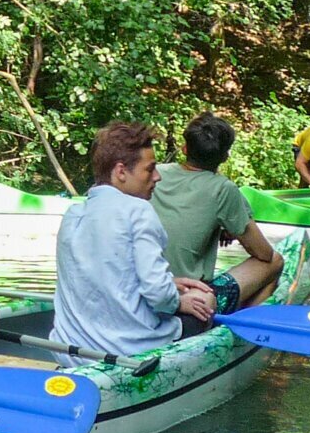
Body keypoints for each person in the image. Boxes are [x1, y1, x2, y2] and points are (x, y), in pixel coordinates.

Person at [52, 122, 216, 360]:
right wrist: (178, 301)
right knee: (206, 299)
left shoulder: (73, 215)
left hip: (71, 352)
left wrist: (170, 282)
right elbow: (159, 296)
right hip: (127, 350)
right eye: (150, 169)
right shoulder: (138, 210)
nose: (157, 177)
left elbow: (104, 276)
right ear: (121, 172)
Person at [149, 113, 284, 315]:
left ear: (185, 149)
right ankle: (241, 326)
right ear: (225, 157)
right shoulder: (223, 189)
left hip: (150, 286)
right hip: (190, 294)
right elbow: (263, 253)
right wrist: (230, 228)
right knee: (275, 261)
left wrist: (217, 227)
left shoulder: (153, 174)